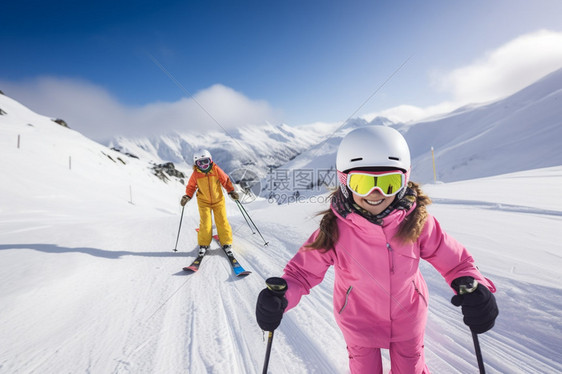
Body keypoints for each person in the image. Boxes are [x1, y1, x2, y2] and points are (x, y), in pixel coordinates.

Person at [256, 126, 498, 373]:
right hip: (357, 322)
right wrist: (281, 297)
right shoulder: (335, 230)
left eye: (389, 183)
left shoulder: (417, 223)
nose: (376, 193)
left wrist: (475, 287)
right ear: (345, 182)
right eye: (362, 183)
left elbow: (456, 263)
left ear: (404, 181)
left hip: (408, 318)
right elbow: (301, 274)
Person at [181, 149, 239, 255]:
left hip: (218, 201)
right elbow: (191, 186)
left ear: (210, 160)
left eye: (205, 161)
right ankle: (204, 244)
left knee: (222, 221)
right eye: (200, 162)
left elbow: (225, 180)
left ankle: (226, 242)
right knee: (205, 223)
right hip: (203, 202)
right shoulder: (196, 174)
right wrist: (187, 196)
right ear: (196, 164)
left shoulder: (216, 170)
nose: (203, 165)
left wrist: (231, 191)